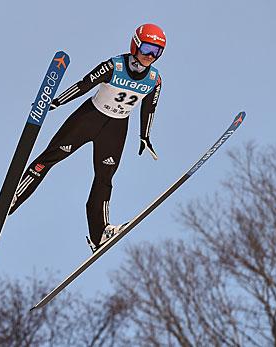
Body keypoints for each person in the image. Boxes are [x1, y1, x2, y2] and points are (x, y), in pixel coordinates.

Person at [9, 23, 166, 252]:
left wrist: (145, 136)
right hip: (88, 119)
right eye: (148, 49)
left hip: (116, 129)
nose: (150, 56)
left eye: (157, 52)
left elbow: (149, 108)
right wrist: (56, 102)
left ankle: (100, 233)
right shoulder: (114, 65)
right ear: (135, 45)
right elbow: (83, 85)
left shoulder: (155, 79)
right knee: (49, 158)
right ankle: (13, 197)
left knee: (104, 179)